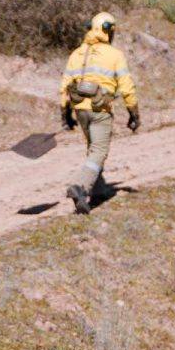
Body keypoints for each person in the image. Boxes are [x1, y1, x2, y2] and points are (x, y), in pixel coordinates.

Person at [59, 12, 139, 215]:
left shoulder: (77, 54)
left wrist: (65, 113)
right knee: (99, 151)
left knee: (92, 148)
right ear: (108, 32)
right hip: (100, 111)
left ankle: (99, 190)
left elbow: (65, 85)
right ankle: (80, 186)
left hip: (80, 110)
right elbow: (127, 87)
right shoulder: (114, 55)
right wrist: (133, 112)